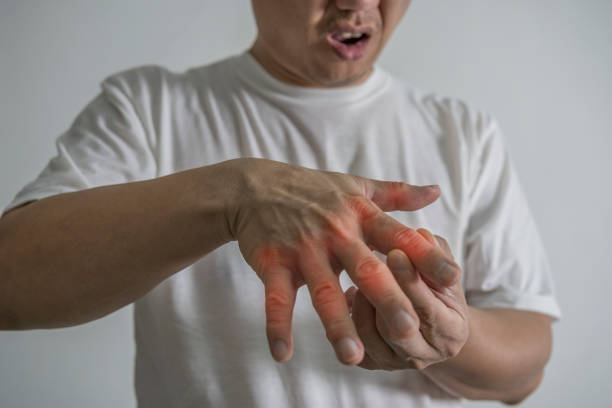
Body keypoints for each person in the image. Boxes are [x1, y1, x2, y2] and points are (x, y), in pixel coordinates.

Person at [0, 0, 561, 406]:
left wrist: (447, 337)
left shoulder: (461, 132)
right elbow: (11, 282)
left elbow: (527, 365)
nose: (358, 4)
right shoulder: (149, 107)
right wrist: (236, 194)